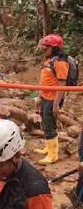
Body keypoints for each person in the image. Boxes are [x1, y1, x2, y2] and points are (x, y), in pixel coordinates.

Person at [34, 34, 69, 165]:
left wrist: (56, 105)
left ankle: (53, 155)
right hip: (45, 96)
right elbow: (44, 80)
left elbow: (62, 84)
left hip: (53, 98)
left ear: (54, 48)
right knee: (45, 122)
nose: (45, 50)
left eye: (47, 47)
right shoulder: (49, 60)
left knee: (49, 125)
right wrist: (39, 96)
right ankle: (48, 148)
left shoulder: (60, 62)